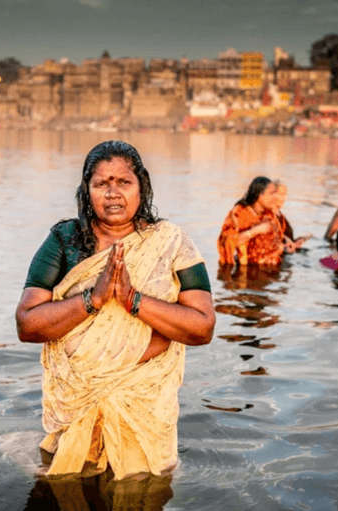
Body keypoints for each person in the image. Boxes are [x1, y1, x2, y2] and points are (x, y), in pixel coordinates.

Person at [15, 140, 215, 480]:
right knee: (65, 486)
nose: (112, 193)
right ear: (86, 190)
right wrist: (93, 299)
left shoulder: (171, 242)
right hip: (77, 400)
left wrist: (133, 300)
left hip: (145, 407)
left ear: (142, 187)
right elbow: (27, 325)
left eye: (123, 182)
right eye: (101, 184)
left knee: (144, 489)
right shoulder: (65, 240)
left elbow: (203, 328)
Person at [217, 177, 284, 266]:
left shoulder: (269, 213)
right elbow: (227, 242)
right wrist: (255, 231)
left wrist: (287, 243)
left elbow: (277, 236)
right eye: (271, 194)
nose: (275, 198)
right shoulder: (239, 213)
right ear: (259, 195)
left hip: (271, 269)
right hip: (247, 271)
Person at [273, 180, 312, 253]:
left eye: (285, 195)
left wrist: (296, 243)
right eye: (280, 194)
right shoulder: (268, 215)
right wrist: (286, 247)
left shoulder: (281, 216)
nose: (283, 198)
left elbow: (286, 238)